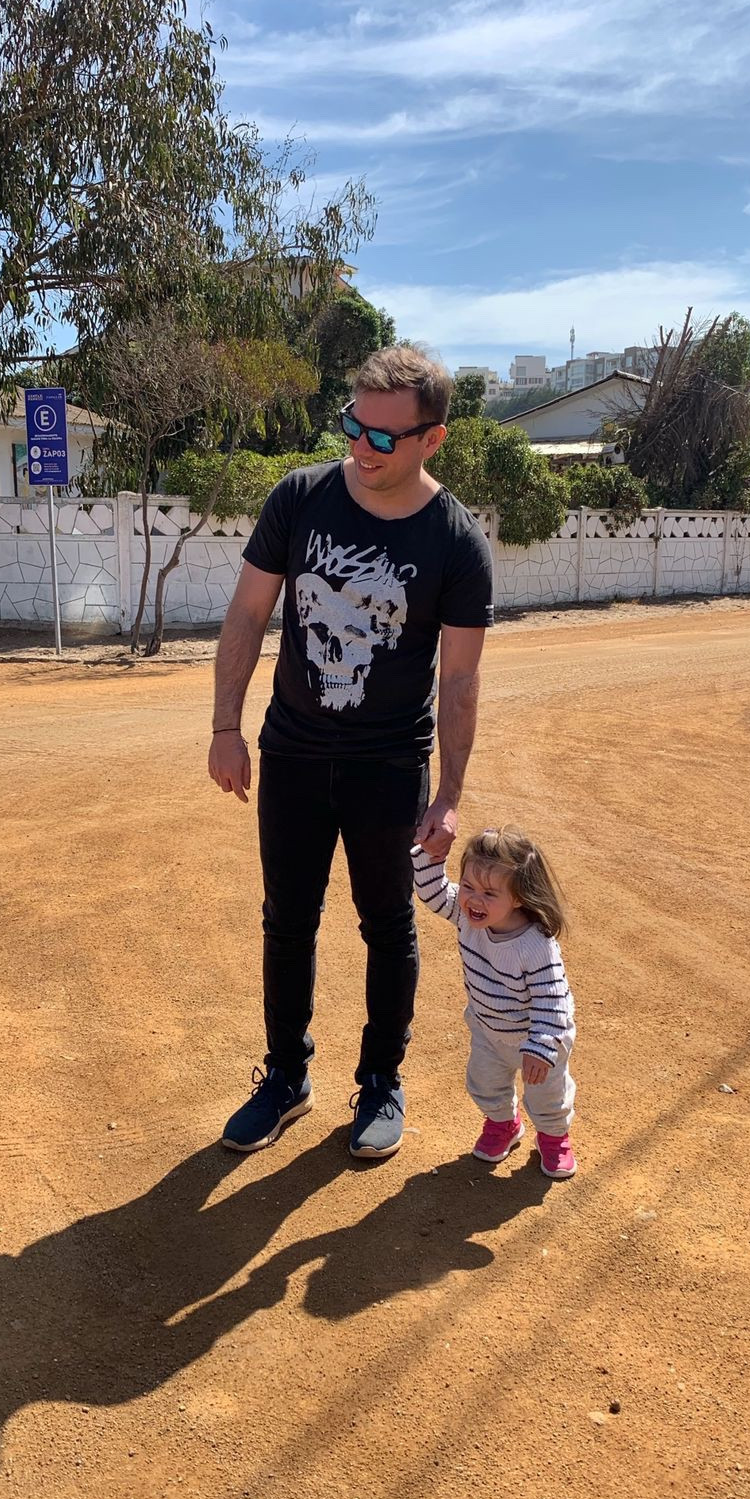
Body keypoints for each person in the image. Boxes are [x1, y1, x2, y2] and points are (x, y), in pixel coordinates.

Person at [208, 346, 493, 1159]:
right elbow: (247, 615)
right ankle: (285, 1078)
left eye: (385, 437)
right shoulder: (300, 497)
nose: (363, 448)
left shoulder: (456, 541)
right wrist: (226, 727)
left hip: (389, 764)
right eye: (354, 426)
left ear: (431, 440)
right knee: (286, 920)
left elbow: (460, 678)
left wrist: (449, 794)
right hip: (293, 753)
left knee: (388, 925)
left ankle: (379, 1083)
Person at [410, 826, 578, 1179]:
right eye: (468, 886)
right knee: (485, 1083)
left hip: (538, 1036)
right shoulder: (465, 914)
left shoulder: (536, 945)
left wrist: (541, 1047)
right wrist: (430, 852)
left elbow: (552, 1002)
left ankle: (553, 1136)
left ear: (518, 897)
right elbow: (432, 891)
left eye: (489, 893)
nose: (474, 900)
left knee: (547, 1095)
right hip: (488, 1028)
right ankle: (504, 1124)